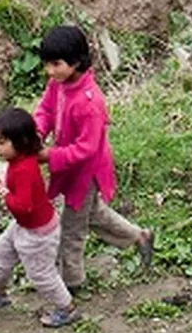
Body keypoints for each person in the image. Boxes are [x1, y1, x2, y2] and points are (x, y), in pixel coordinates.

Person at [35, 23, 154, 290]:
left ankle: (71, 284)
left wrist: (48, 156)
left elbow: (87, 148)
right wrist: (37, 132)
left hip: (85, 173)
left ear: (76, 62)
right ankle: (140, 236)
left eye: (56, 64)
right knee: (92, 214)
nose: (50, 71)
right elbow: (45, 109)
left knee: (71, 230)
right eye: (47, 64)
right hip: (67, 165)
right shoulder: (58, 84)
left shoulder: (90, 103)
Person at [0, 105, 75, 327]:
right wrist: (5, 187)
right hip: (25, 225)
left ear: (20, 142)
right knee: (2, 251)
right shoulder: (19, 161)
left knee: (41, 274)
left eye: (1, 142)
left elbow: (24, 206)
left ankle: (67, 308)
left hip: (37, 232)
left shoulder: (25, 169)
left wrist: (3, 193)